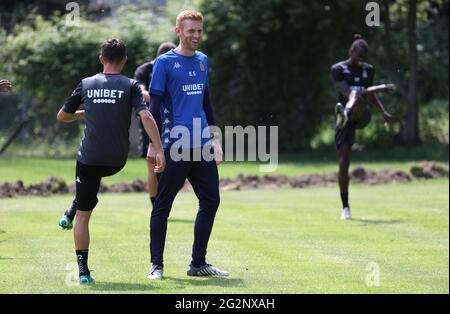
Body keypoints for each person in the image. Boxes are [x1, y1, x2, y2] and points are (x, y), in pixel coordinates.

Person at [56, 38, 165, 284]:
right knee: (90, 187)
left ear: (101, 59)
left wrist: (86, 111)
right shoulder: (131, 85)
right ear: (124, 60)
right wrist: (158, 149)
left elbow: (62, 116)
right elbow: (146, 116)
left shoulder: (86, 84)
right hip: (116, 160)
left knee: (84, 213)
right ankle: (74, 206)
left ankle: (83, 271)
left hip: (90, 159)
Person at [146, 9, 227, 280]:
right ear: (178, 31)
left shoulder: (203, 61)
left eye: (199, 31)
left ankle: (198, 263)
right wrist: (154, 145)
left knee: (211, 200)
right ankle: (156, 265)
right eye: (190, 30)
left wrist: (215, 138)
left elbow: (206, 102)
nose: (195, 36)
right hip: (173, 144)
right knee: (163, 206)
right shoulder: (164, 63)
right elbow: (154, 106)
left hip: (202, 143)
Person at [331, 34, 394, 220]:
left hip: (362, 115)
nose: (361, 62)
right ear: (351, 52)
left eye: (364, 59)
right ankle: (345, 207)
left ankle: (345, 114)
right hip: (346, 119)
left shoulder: (368, 70)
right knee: (343, 163)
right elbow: (347, 92)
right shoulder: (338, 69)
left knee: (358, 98)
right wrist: (379, 87)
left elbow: (368, 96)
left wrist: (383, 111)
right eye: (359, 58)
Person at [134, 42, 176, 205]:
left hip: (174, 122)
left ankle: (164, 199)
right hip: (151, 121)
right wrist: (160, 98)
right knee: (152, 166)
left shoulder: (176, 68)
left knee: (176, 165)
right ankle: (156, 206)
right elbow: (140, 92)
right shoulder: (145, 70)